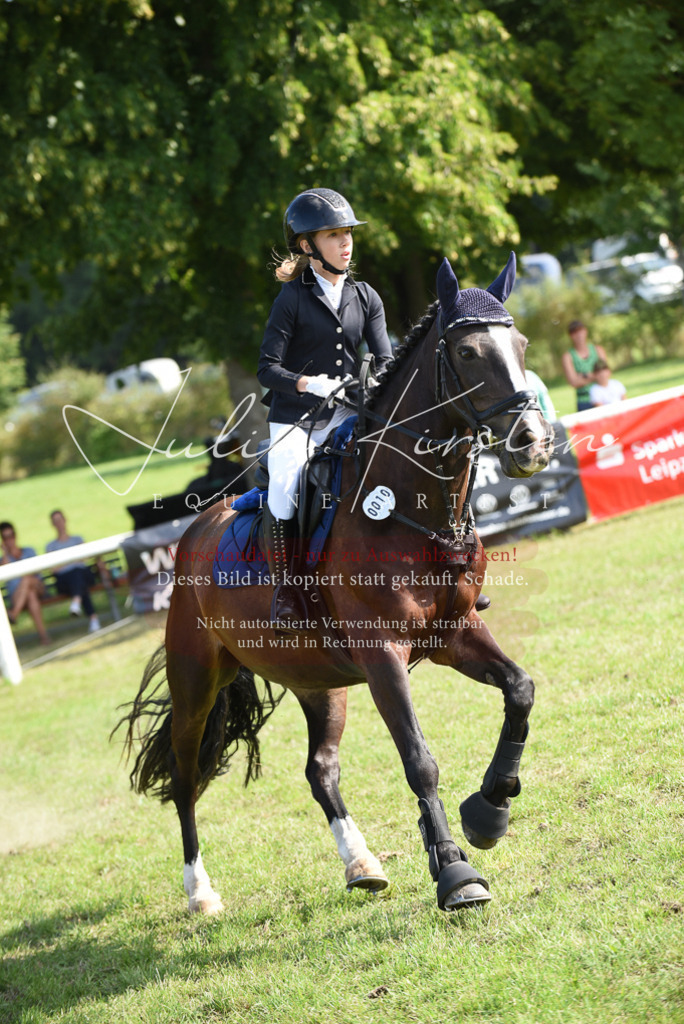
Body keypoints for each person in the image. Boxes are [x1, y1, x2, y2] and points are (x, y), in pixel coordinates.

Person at [256, 187, 393, 630]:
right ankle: (288, 591)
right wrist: (308, 383)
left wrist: (370, 389)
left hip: (349, 410)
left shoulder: (366, 296)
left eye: (347, 233)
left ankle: (441, 565)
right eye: (334, 234)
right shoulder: (291, 299)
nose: (346, 242)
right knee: (285, 484)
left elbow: (386, 360)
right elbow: (267, 369)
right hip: (295, 416)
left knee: (400, 459)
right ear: (307, 245)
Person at [45, 510, 103, 632]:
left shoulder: (77, 539)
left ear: (65, 520)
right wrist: (74, 561)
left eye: (60, 519)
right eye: (55, 521)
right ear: (52, 524)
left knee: (78, 575)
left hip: (82, 575)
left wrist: (65, 563)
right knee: (78, 579)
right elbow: (54, 569)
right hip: (66, 581)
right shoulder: (51, 546)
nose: (59, 523)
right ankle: (92, 618)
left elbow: (86, 557)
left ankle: (77, 603)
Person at [0, 521, 50, 644]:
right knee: (31, 595)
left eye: (11, 536)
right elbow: (5, 572)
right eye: (5, 537)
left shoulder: (28, 551)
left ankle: (13, 614)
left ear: (15, 535)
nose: (9, 540)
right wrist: (6, 553)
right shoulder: (3, 560)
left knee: (27, 580)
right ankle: (44, 638)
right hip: (19, 595)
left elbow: (37, 573)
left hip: (38, 586)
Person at [561, 320, 607, 412]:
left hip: (603, 397)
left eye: (580, 330)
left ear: (585, 331)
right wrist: (596, 375)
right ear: (570, 335)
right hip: (584, 401)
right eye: (574, 332)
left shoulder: (598, 350)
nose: (579, 335)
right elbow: (573, 382)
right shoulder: (568, 356)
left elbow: (605, 373)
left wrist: (583, 376)